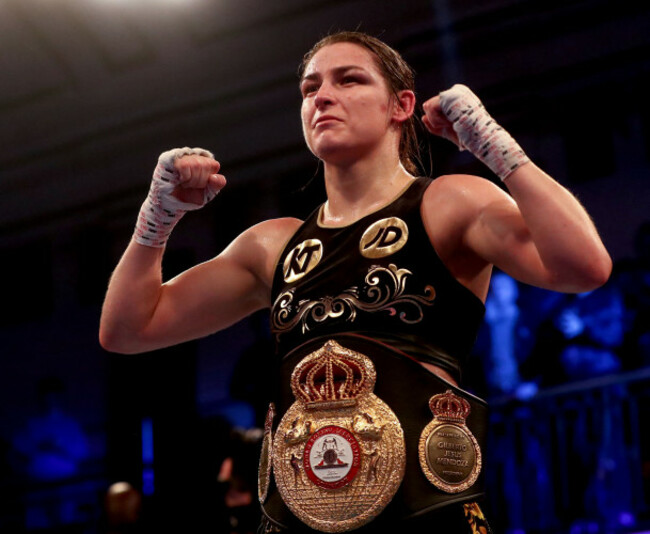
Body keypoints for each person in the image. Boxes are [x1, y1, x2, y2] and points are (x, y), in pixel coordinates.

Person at [99, 31, 611, 533]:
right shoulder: (273, 245)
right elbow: (127, 329)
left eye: (349, 80)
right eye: (309, 87)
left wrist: (496, 147)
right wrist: (157, 217)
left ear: (401, 105)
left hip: (425, 511)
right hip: (295, 518)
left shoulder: (448, 204)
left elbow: (583, 266)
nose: (322, 96)